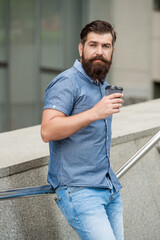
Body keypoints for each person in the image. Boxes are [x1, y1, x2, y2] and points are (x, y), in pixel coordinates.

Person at [41, 20, 124, 240]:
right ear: (81, 48)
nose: (99, 52)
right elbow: (47, 130)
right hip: (79, 191)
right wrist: (95, 112)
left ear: (112, 51)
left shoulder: (102, 84)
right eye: (93, 45)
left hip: (109, 189)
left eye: (105, 46)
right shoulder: (67, 82)